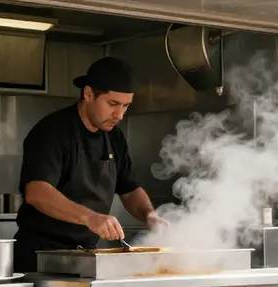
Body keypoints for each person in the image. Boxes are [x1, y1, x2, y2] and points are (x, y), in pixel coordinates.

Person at [14, 56, 166, 272]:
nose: (119, 115)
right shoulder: (52, 131)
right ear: (88, 94)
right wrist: (90, 218)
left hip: (85, 255)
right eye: (112, 104)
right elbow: (37, 192)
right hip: (40, 256)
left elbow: (129, 189)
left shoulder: (114, 137)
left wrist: (150, 216)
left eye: (125, 106)